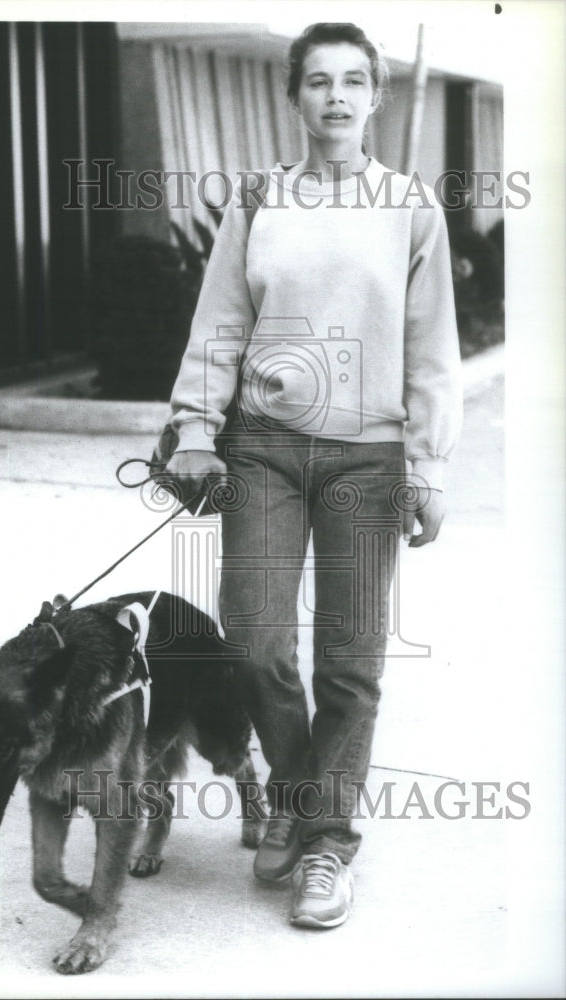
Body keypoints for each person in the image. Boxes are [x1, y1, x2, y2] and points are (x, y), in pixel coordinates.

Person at [164, 22, 462, 929]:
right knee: (253, 643)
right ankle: (300, 801)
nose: (334, 96)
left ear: (375, 98)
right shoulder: (258, 199)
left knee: (350, 665)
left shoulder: (411, 206)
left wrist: (431, 465)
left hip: (367, 459)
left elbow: (430, 344)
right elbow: (219, 321)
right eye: (317, 81)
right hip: (262, 448)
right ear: (293, 97)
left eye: (353, 82)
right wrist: (191, 426)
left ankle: (326, 844)